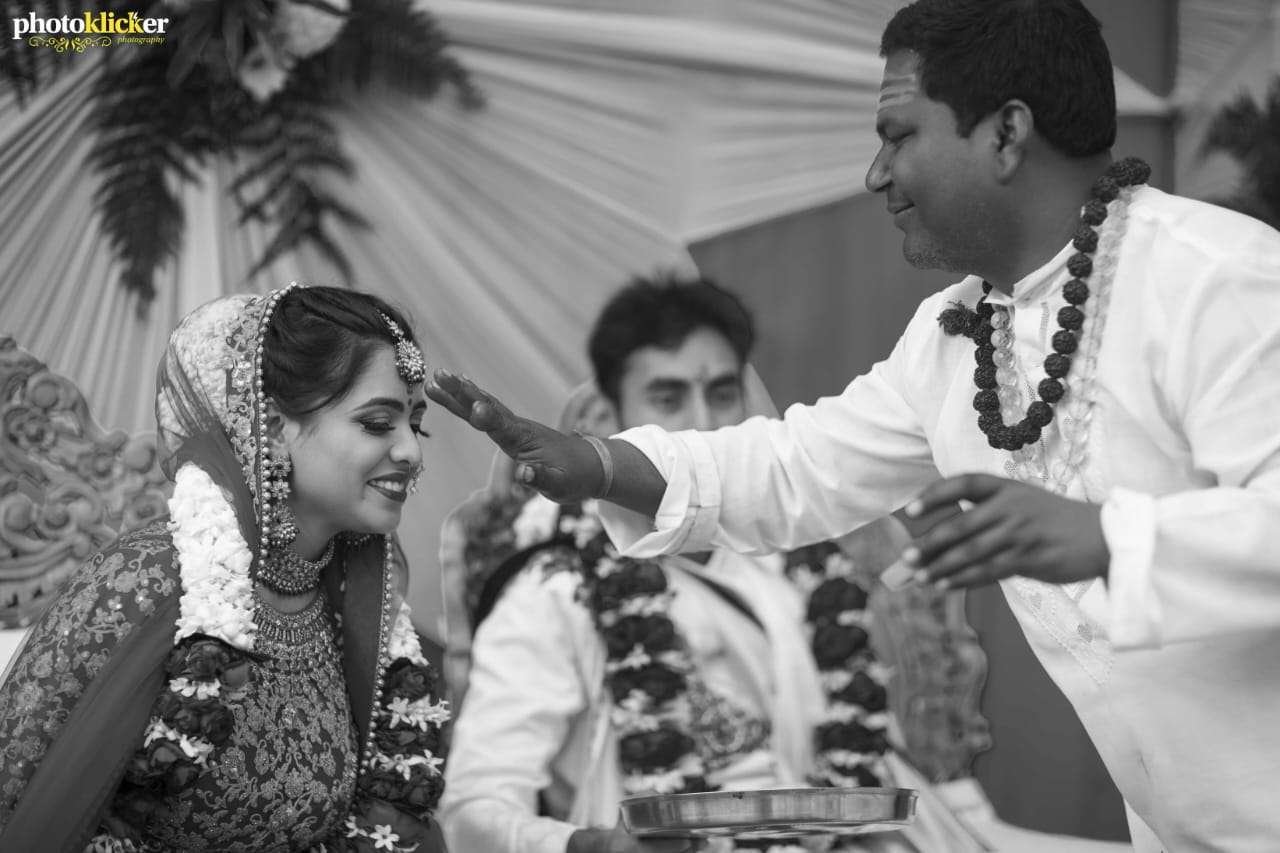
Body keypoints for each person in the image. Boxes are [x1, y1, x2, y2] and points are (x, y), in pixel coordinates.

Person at [426, 2, 1280, 851]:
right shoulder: (954, 335)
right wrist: (600, 464)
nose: (876, 174)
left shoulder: (1219, 279)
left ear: (1006, 134)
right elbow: (797, 467)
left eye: (898, 135)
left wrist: (1104, 539)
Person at [439, 276, 1114, 853]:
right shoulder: (557, 587)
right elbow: (473, 806)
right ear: (608, 417)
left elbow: (875, 765)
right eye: (667, 398)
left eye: (722, 392)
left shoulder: (796, 567)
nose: (701, 422)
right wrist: (583, 845)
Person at [0, 285, 450, 853]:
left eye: (416, 425)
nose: (411, 452)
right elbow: (24, 803)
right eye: (378, 422)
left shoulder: (350, 598)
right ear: (272, 425)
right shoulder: (147, 581)